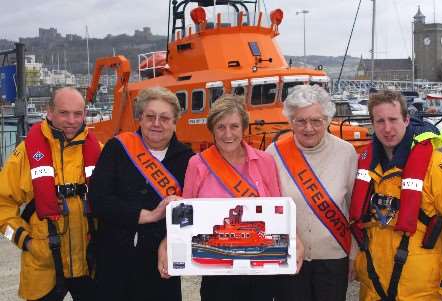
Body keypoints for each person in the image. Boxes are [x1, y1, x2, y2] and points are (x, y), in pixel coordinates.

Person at [159, 94, 302, 301]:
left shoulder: (265, 161)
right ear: (212, 130)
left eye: (234, 126)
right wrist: (167, 242)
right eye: (221, 127)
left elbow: (278, 210)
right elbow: (185, 212)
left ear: (243, 127)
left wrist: (295, 240)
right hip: (217, 271)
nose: (228, 134)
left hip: (260, 266)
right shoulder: (197, 164)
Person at [89, 87, 194, 301]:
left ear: (175, 122)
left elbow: (190, 212)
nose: (157, 123)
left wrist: (168, 241)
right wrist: (150, 215)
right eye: (150, 116)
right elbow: (98, 200)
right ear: (140, 118)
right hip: (114, 262)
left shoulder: (188, 160)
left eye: (165, 118)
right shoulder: (117, 148)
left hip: (160, 263)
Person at [0, 87, 101, 301]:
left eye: (78, 113)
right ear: (49, 111)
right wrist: (24, 240)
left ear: (85, 114)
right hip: (43, 265)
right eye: (64, 113)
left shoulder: (99, 151)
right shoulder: (25, 154)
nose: (71, 120)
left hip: (89, 263)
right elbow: (2, 207)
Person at [350, 90, 442, 301]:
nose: (387, 129)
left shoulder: (437, 166)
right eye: (380, 121)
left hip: (421, 292)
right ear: (372, 124)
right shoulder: (365, 165)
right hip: (373, 287)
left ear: (406, 119)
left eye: (393, 119)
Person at [266, 84, 358, 301]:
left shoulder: (346, 152)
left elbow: (355, 208)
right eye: (301, 121)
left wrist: (354, 254)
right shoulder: (274, 153)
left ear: (327, 120)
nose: (308, 128)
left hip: (333, 258)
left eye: (316, 121)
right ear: (290, 121)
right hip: (288, 257)